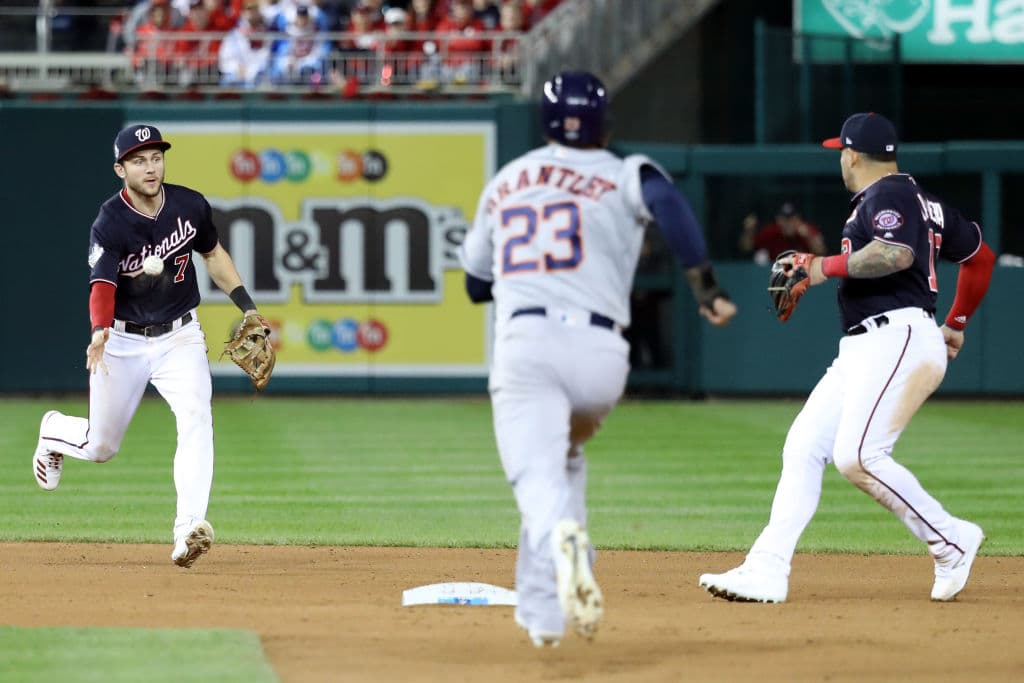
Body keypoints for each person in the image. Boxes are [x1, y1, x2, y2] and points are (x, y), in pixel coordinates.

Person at [459, 71, 737, 647]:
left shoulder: (508, 179)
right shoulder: (626, 171)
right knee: (564, 460)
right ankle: (543, 619)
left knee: (534, 476)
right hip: (603, 356)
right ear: (605, 123)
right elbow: (670, 204)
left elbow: (476, 285)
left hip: (528, 345)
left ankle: (574, 546)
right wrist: (706, 288)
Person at [699, 112, 996, 604]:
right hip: (869, 343)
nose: (841, 157)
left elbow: (895, 254)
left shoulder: (889, 194)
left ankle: (951, 540)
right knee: (803, 445)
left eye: (842, 150)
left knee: (858, 455)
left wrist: (819, 267)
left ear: (853, 154)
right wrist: (957, 323)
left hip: (895, 334)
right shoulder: (922, 200)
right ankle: (767, 568)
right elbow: (980, 259)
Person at [31, 124, 267, 570]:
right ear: (120, 169)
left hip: (180, 335)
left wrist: (246, 306)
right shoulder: (110, 222)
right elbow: (101, 284)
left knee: (197, 416)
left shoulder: (189, 204)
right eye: (139, 160)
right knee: (101, 447)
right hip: (122, 339)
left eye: (156, 157)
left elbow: (213, 255)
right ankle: (53, 430)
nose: (151, 166)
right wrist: (100, 329)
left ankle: (188, 529)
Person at [738, 201, 826, 264]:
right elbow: (746, 247)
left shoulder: (806, 230)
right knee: (760, 256)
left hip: (802, 275)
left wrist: (808, 236)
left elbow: (821, 252)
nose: (788, 223)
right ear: (778, 220)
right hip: (775, 274)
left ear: (798, 219)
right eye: (784, 219)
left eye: (792, 219)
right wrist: (749, 231)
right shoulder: (772, 231)